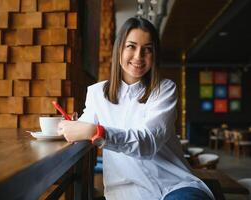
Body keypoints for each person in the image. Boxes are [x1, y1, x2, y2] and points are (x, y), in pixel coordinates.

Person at [58, 17, 214, 200]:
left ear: (154, 55)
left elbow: (148, 142)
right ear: (119, 49)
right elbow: (81, 127)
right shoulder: (97, 93)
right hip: (126, 193)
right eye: (131, 46)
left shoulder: (164, 89)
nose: (139, 56)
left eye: (147, 49)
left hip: (174, 186)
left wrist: (98, 132)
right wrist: (65, 127)